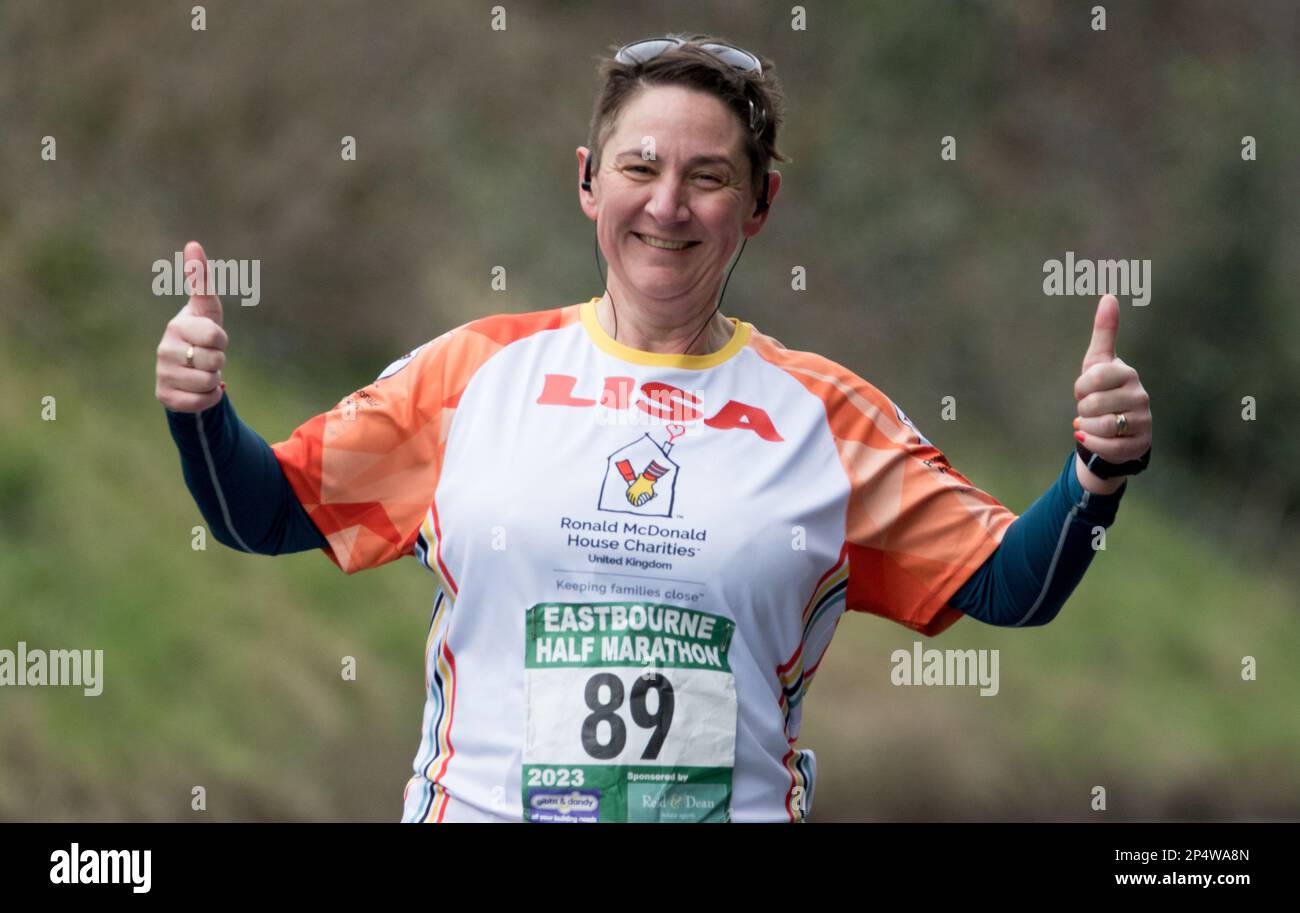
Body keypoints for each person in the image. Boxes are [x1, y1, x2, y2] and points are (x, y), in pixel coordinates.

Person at [157, 33, 1152, 823]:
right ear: (589, 181)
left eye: (709, 177)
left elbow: (1011, 589)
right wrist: (200, 412)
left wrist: (1094, 473)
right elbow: (263, 515)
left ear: (760, 204)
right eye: (640, 166)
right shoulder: (473, 374)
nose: (666, 204)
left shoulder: (825, 416)